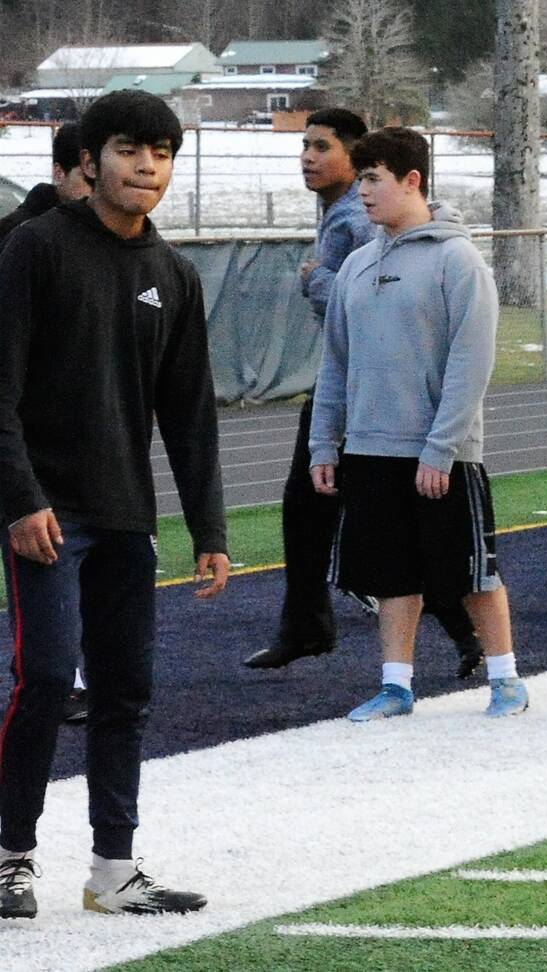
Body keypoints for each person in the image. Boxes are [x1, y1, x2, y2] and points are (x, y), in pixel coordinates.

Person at [0, 90, 225, 919]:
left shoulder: (174, 274)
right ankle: (9, 854)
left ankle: (113, 870)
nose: (148, 167)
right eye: (130, 150)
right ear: (90, 162)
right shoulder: (36, 249)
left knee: (126, 691)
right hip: (47, 514)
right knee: (49, 676)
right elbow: (1, 389)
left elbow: (190, 413)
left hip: (128, 515)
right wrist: (21, 500)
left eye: (163, 153)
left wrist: (209, 528)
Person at [244, 107, 484, 674]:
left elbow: (357, 305)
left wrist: (314, 279)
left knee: (393, 519)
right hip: (351, 386)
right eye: (303, 144)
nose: (307, 156)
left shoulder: (362, 219)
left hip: (379, 396)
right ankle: (313, 622)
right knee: (328, 511)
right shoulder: (342, 210)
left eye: (321, 146)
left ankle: (464, 633)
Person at [308, 127, 528, 721]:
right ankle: (396, 685)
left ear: (412, 181)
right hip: (370, 449)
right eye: (358, 181)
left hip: (442, 454)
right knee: (391, 573)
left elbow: (471, 360)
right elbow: (336, 361)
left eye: (374, 180)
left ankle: (507, 679)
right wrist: (323, 441)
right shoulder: (356, 265)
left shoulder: (458, 260)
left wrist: (441, 446)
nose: (362, 194)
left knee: (470, 571)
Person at [0, 122, 93, 725]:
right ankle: (44, 673)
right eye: (91, 176)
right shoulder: (21, 240)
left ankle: (65, 671)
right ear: (63, 172)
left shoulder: (107, 240)